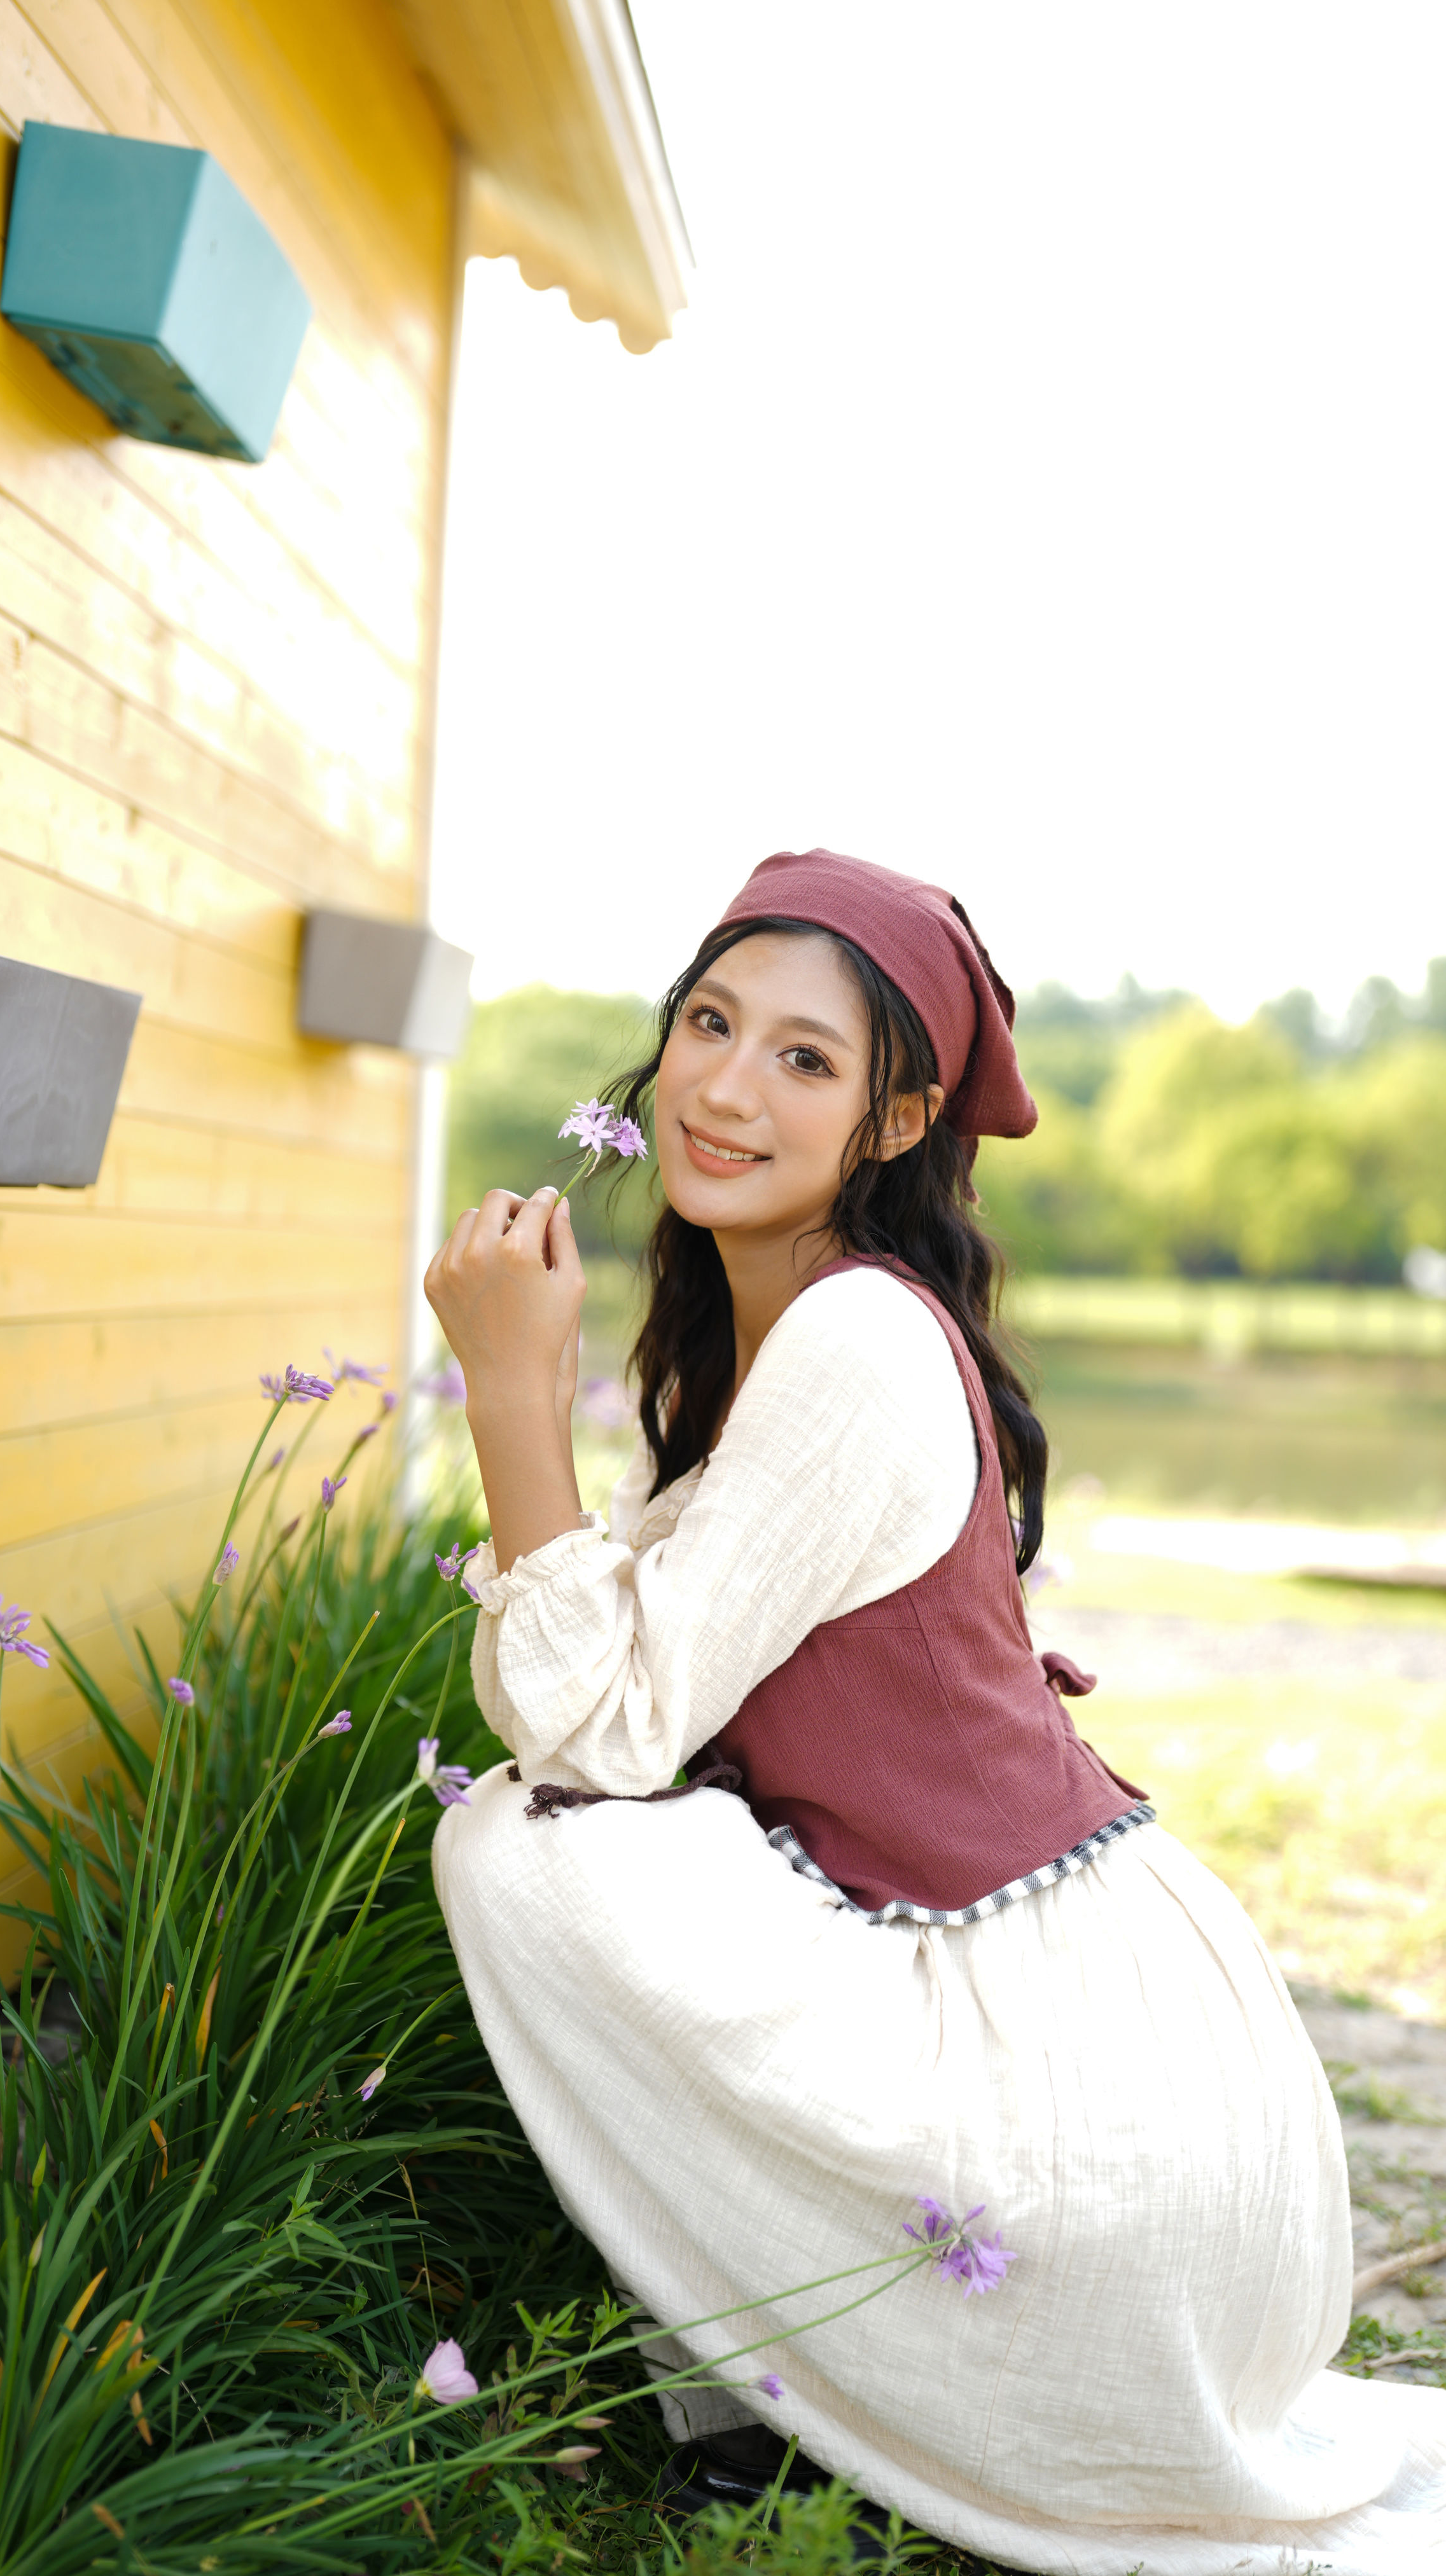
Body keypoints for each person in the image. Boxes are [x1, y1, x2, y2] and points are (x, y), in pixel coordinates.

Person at [424, 850, 1446, 2574]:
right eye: (709, 1021)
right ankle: (767, 2379)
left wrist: (509, 1387)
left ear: (894, 1123)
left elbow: (592, 1732)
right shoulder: (764, 1338)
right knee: (547, 1841)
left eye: (804, 1060)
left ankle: (803, 2390)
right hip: (1039, 2014)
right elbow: (622, 1697)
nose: (727, 1085)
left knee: (522, 1849)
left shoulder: (856, 1345)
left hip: (1087, 2096)